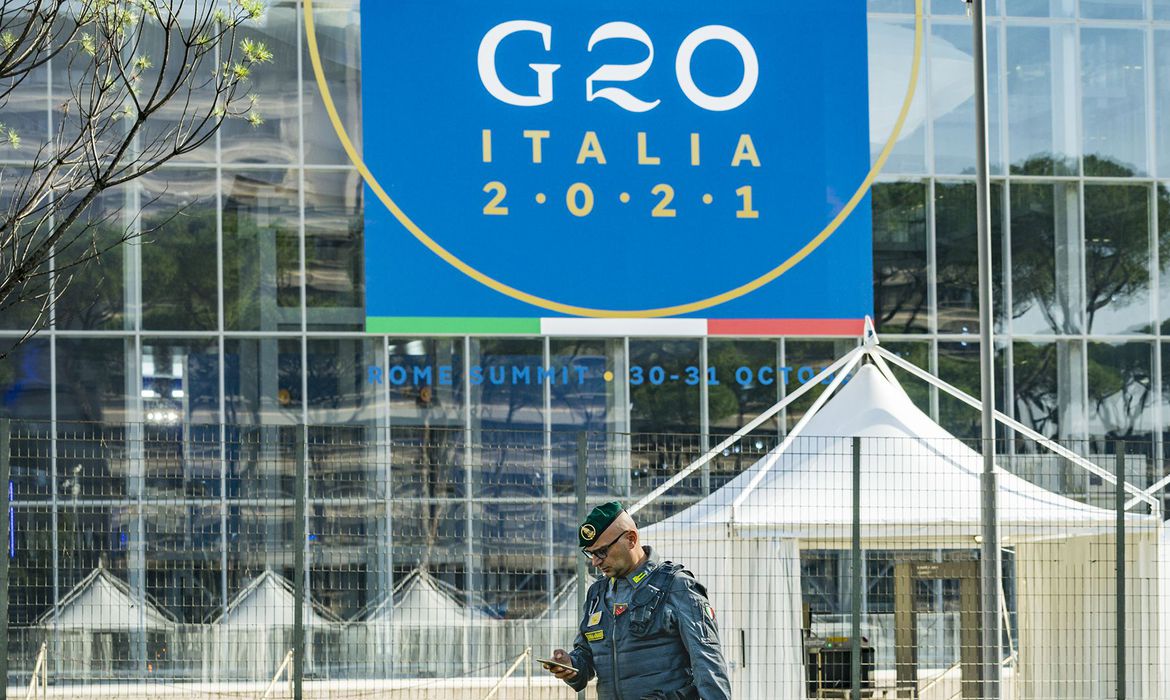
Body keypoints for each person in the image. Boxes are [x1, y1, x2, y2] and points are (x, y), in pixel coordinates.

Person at [542, 501, 731, 700]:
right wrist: (572, 666)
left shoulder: (677, 586)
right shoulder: (597, 593)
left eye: (602, 552)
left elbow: (708, 665)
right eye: (590, 553)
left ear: (631, 539)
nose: (595, 561)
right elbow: (587, 656)